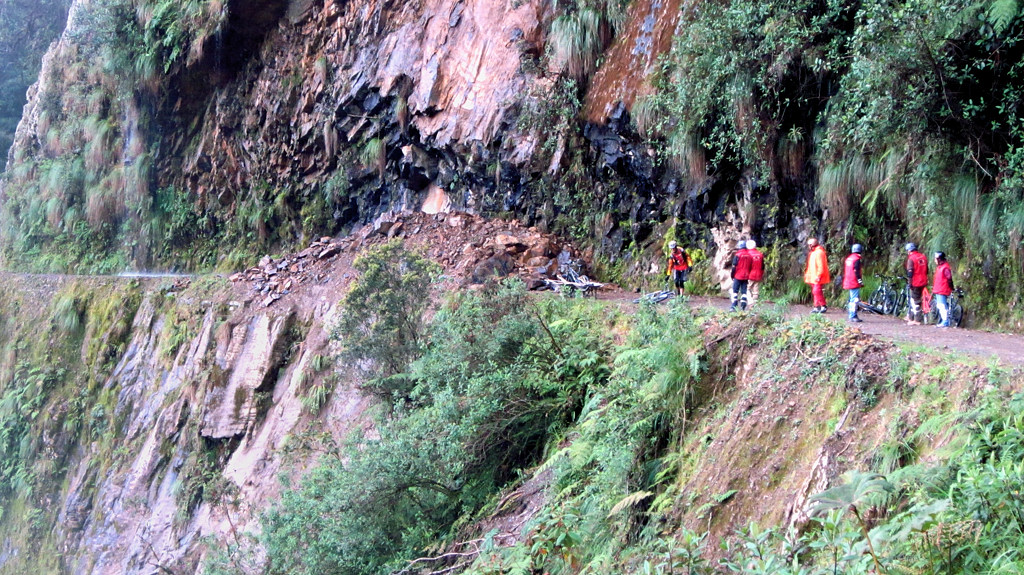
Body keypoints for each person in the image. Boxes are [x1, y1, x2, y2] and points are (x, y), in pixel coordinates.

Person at [804, 238, 830, 313]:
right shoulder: (813, 253)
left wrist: (818, 275)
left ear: (812, 245)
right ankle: (816, 307)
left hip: (817, 276)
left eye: (809, 245)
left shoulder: (819, 252)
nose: (808, 247)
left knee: (816, 291)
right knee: (815, 291)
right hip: (813, 276)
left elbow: (821, 266)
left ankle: (823, 305)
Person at [905, 242, 928, 325]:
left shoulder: (911, 259)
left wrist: (909, 283)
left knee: (915, 300)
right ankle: (910, 317)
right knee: (914, 299)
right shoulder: (923, 257)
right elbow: (927, 270)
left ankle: (917, 320)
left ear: (909, 250)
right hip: (924, 281)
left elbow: (910, 273)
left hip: (916, 282)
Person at [932, 251, 955, 328]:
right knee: (940, 305)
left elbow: (949, 278)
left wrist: (951, 287)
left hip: (942, 289)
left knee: (941, 305)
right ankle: (944, 320)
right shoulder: (940, 267)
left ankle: (945, 321)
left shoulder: (945, 268)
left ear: (939, 259)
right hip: (939, 289)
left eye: (936, 259)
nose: (934, 260)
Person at [842, 244, 864, 322]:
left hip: (848, 280)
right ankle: (852, 315)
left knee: (851, 299)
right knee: (854, 300)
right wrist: (860, 281)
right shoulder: (856, 259)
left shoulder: (849, 259)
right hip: (854, 281)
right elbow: (856, 271)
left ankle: (851, 315)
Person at [730, 239, 752, 311]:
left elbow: (734, 267)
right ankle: (743, 306)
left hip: (738, 276)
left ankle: (734, 306)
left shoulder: (738, 255)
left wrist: (732, 275)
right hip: (746, 276)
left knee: (735, 291)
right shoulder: (749, 255)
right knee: (744, 292)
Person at [746, 240, 765, 309]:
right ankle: (755, 303)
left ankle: (750, 302)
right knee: (755, 290)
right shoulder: (760, 254)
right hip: (758, 274)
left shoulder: (747, 254)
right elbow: (763, 266)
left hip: (750, 275)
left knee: (746, 288)